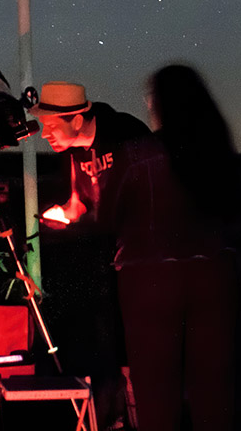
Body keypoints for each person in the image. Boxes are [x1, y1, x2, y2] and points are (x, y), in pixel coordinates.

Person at [101, 64, 241, 431]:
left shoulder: (136, 154)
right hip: (214, 274)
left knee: (155, 387)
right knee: (214, 387)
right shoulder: (218, 151)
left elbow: (108, 214)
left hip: (149, 279)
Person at [32, 81, 151, 430]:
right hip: (107, 260)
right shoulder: (75, 153)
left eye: (53, 126)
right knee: (103, 342)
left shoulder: (126, 134)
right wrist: (62, 213)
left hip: (139, 259)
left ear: (79, 120)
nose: (45, 134)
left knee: (135, 348)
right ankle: (112, 414)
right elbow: (78, 202)